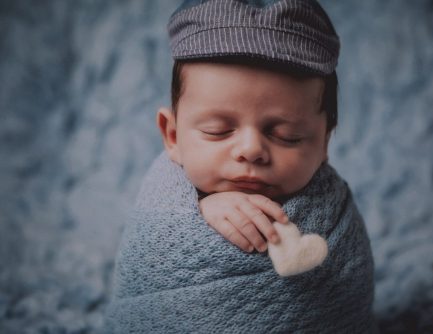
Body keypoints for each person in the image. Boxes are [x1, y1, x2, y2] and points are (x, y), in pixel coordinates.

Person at [105, 1, 376, 333]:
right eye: (217, 131)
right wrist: (203, 209)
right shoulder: (162, 204)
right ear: (172, 135)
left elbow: (346, 297)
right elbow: (148, 261)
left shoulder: (334, 217)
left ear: (323, 143)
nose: (251, 150)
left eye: (287, 136)